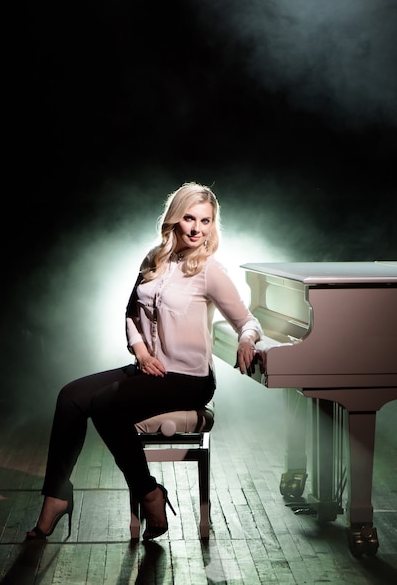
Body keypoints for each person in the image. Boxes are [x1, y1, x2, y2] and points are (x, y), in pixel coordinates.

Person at [26, 181, 263, 542]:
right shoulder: (155, 259)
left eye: (206, 220)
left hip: (189, 379)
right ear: (174, 221)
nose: (197, 228)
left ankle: (149, 492)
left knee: (105, 405)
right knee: (70, 396)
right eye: (189, 218)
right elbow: (130, 314)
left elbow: (248, 321)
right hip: (149, 369)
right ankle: (56, 496)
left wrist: (247, 340)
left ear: (213, 225)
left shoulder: (210, 271)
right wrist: (140, 351)